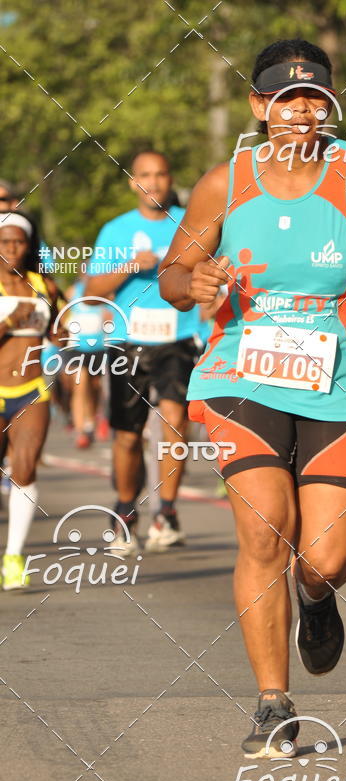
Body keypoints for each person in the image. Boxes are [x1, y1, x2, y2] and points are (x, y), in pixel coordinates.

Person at [159, 38, 346, 757]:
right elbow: (172, 273)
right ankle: (274, 702)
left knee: (328, 555)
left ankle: (316, 596)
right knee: (264, 527)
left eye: (314, 98)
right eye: (285, 99)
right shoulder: (226, 183)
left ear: (331, 106)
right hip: (240, 376)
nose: (300, 111)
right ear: (258, 106)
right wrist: (196, 282)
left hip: (338, 382)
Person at [86, 151, 202, 554]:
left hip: (178, 337)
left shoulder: (191, 221)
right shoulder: (117, 230)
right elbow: (90, 295)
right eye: (145, 176)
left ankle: (166, 512)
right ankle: (124, 511)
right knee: (127, 435)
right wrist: (131, 267)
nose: (153, 182)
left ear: (171, 179)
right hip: (128, 340)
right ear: (133, 183)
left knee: (174, 421)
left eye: (161, 174)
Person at [0, 213, 61, 588]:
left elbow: (56, 333)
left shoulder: (44, 286)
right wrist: (8, 323)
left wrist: (68, 333)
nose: (11, 249)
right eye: (4, 242)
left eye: (18, 242)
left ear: (28, 245)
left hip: (32, 389)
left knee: (25, 469)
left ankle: (13, 557)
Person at [63, 279, 112, 449]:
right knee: (80, 384)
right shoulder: (73, 291)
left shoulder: (103, 289)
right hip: (77, 346)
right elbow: (63, 312)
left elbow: (110, 314)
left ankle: (92, 420)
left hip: (98, 346)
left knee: (95, 386)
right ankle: (80, 431)